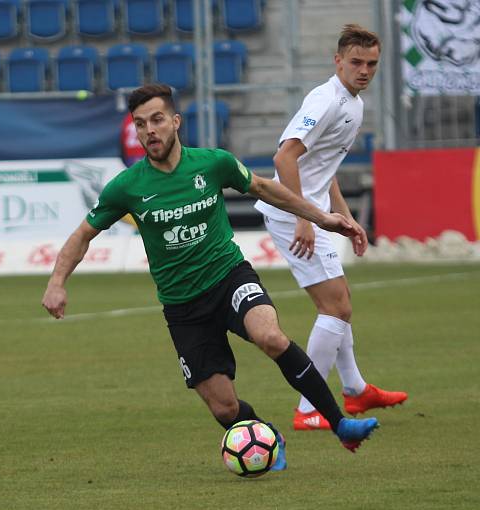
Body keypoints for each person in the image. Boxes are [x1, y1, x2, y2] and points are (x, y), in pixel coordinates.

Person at [42, 84, 380, 469]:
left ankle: (340, 424)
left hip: (228, 277)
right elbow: (83, 234)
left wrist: (322, 218)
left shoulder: (213, 163)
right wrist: (57, 282)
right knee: (223, 407)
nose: (149, 131)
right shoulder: (127, 186)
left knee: (270, 335)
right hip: (183, 307)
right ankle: (266, 434)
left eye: (156, 120)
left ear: (175, 121)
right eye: (140, 124)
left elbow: (266, 188)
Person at [254, 24, 407, 432]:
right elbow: (285, 158)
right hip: (292, 215)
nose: (364, 70)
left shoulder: (353, 104)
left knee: (339, 303)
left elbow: (323, 167)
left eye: (372, 64)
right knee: (336, 306)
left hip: (311, 211)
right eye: (356, 62)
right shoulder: (324, 101)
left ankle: (355, 389)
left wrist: (345, 216)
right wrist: (305, 218)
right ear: (337, 61)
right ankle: (309, 408)